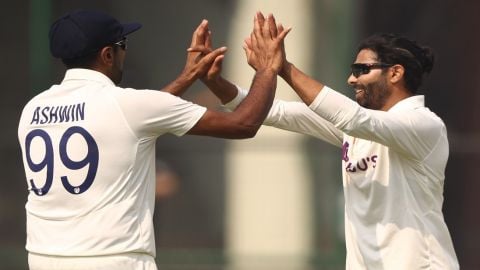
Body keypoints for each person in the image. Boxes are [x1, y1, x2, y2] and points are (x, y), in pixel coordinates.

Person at [17, 10, 289, 270]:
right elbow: (244, 123)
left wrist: (188, 76)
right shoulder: (125, 105)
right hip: (113, 259)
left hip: (43, 256)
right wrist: (266, 68)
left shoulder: (32, 109)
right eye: (122, 44)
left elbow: (133, 119)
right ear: (107, 54)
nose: (125, 52)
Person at [197, 12, 459, 269]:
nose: (352, 79)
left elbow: (354, 119)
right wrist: (216, 83)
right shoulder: (359, 127)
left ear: (395, 73)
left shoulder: (423, 124)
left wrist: (284, 68)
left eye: (362, 70)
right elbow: (279, 112)